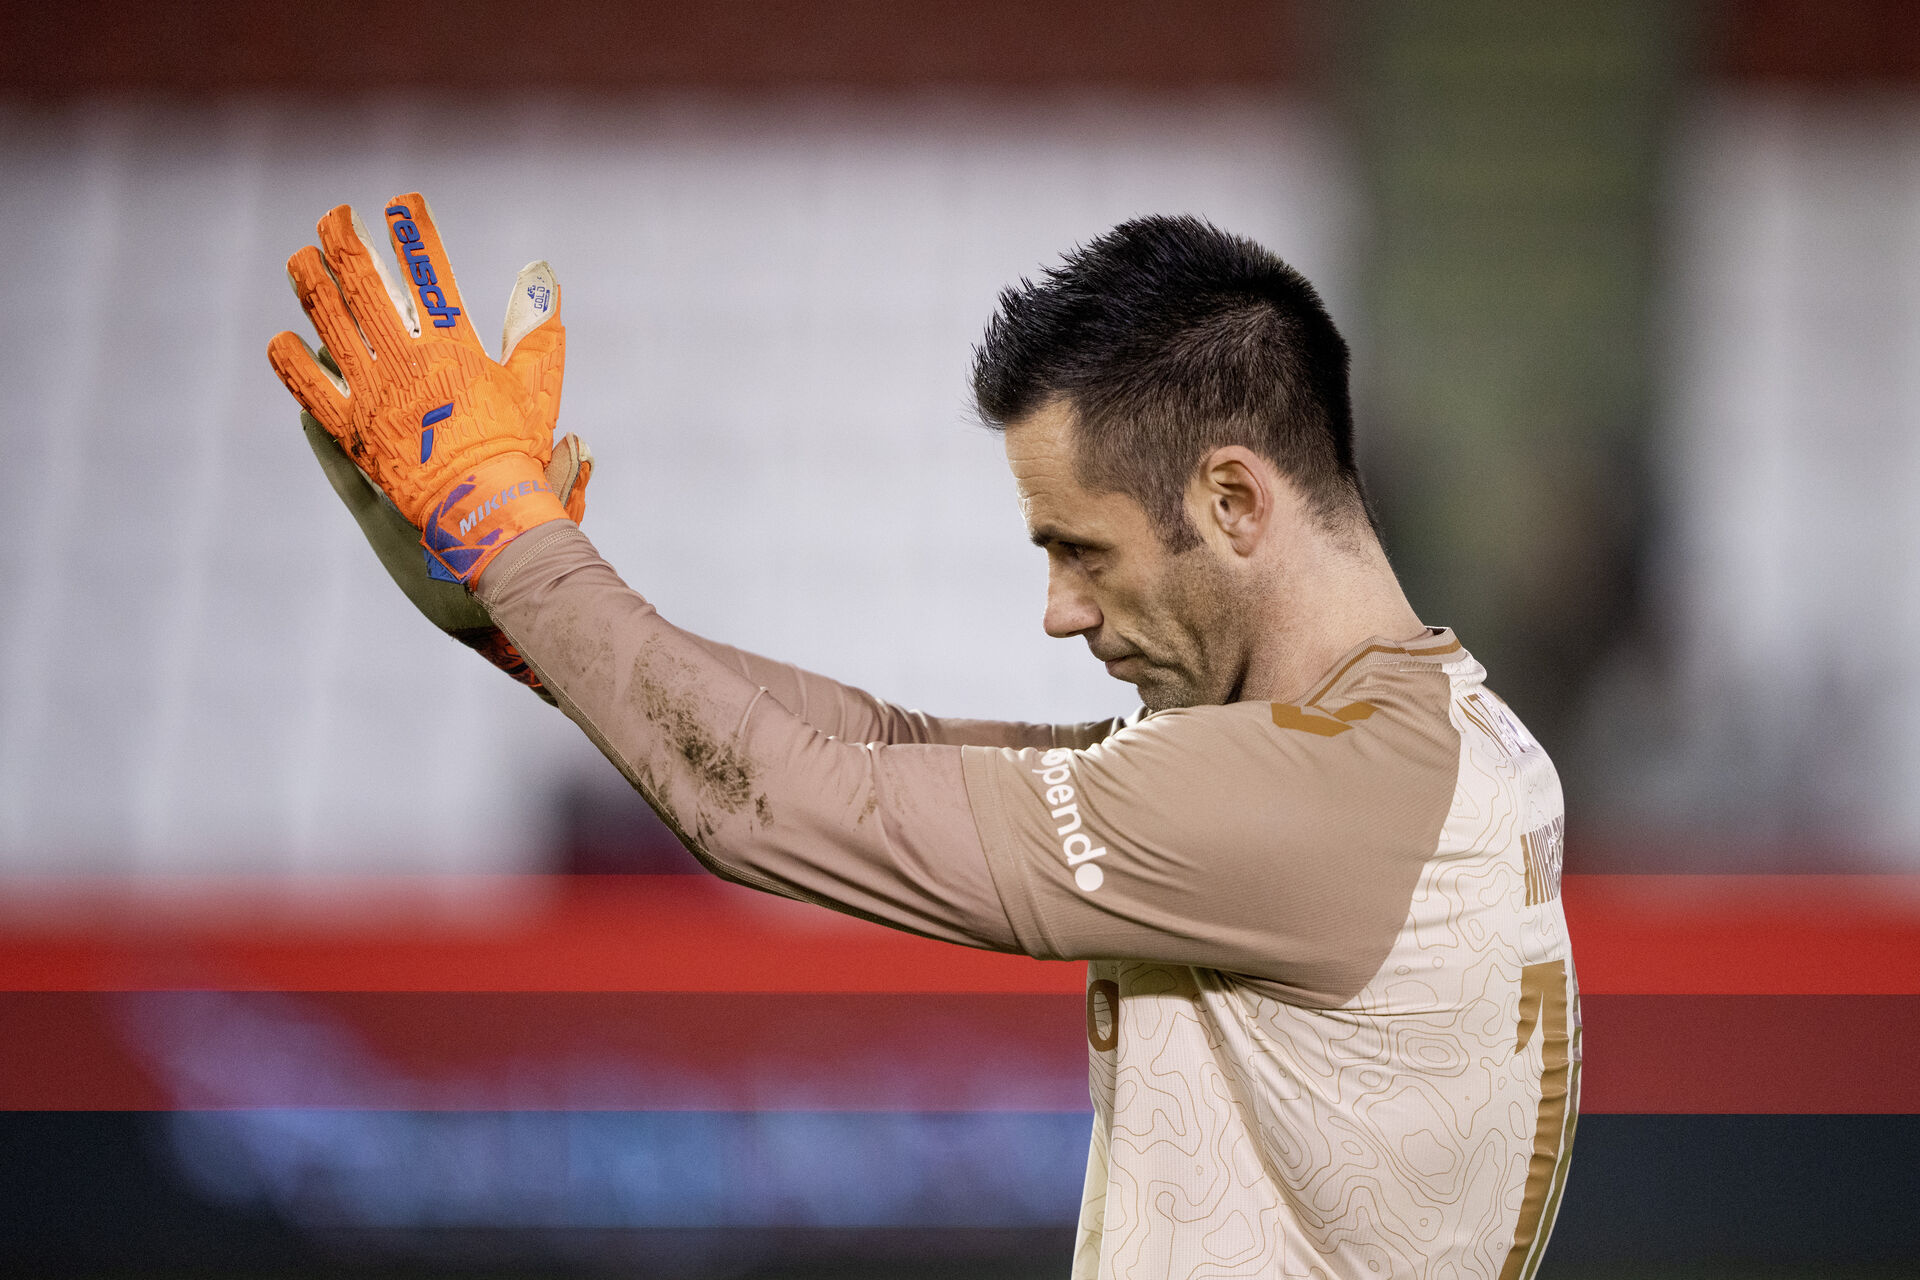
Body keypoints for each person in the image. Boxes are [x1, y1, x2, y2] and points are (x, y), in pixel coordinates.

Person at [268, 193, 1578, 1280]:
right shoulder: (1416, 747)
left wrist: (514, 542)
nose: (1059, 611)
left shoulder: (1317, 799)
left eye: (1084, 550)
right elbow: (882, 747)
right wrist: (522, 617)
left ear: (1235, 498)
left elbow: (772, 804)